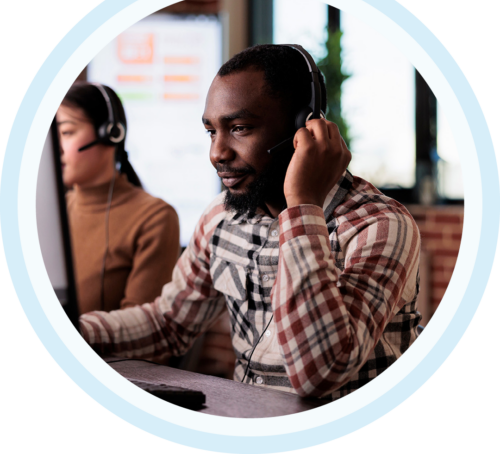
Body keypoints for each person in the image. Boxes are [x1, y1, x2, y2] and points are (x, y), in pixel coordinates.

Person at [80, 45, 422, 400]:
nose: (217, 153)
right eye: (211, 131)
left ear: (302, 128)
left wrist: (302, 206)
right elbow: (169, 324)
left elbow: (320, 374)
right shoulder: (221, 217)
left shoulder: (379, 226)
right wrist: (73, 330)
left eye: (239, 128)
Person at [56, 82, 180, 314]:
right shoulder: (55, 210)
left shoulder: (155, 218)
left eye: (66, 133)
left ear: (110, 133)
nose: (55, 147)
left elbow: (141, 332)